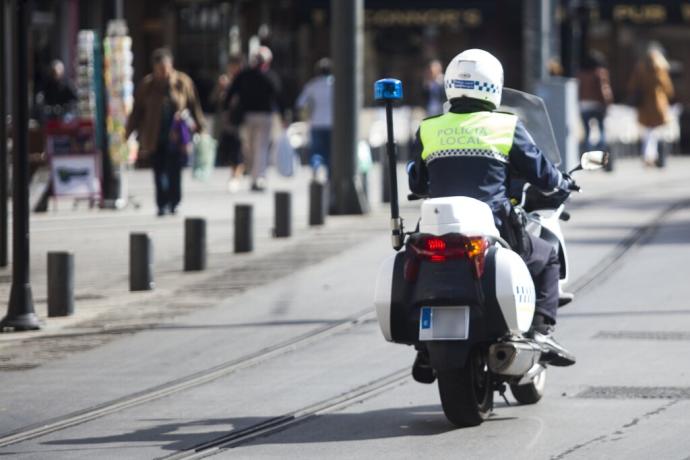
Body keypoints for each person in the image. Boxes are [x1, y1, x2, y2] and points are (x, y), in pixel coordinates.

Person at [408, 49, 578, 369]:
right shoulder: (505, 126)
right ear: (494, 86)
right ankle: (541, 330)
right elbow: (543, 174)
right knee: (547, 256)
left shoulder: (429, 128)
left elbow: (417, 183)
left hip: (436, 230)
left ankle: (423, 344)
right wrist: (562, 183)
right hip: (495, 230)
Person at [126, 48, 205, 215]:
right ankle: (162, 204)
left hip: (177, 136)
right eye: (160, 68)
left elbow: (193, 105)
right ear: (154, 68)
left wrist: (200, 127)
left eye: (166, 68)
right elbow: (137, 111)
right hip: (155, 135)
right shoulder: (147, 85)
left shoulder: (182, 82)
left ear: (171, 65)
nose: (163, 72)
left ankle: (174, 202)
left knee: (175, 171)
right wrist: (129, 131)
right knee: (159, 171)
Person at [224, 46, 283, 191]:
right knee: (250, 147)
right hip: (250, 117)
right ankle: (256, 175)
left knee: (257, 147)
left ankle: (259, 178)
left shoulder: (264, 76)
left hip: (261, 116)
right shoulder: (252, 75)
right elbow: (231, 93)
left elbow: (279, 96)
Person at [628, 46, 674, 167]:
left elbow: (632, 85)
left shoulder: (640, 68)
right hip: (657, 103)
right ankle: (653, 156)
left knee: (649, 131)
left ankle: (650, 156)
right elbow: (667, 87)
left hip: (644, 104)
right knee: (655, 131)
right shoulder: (660, 68)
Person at [210, 54, 245, 192]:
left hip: (241, 119)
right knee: (230, 147)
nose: (233, 68)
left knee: (239, 147)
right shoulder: (224, 80)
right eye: (231, 66)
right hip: (226, 121)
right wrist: (220, 89)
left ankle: (236, 174)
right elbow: (213, 100)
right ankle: (235, 172)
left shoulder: (244, 79)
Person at [296, 57, 334, 170]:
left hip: (316, 123)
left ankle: (316, 173)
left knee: (317, 152)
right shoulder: (336, 85)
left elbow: (300, 103)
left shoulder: (312, 85)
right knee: (331, 153)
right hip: (332, 123)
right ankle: (329, 177)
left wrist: (306, 114)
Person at [577, 51, 613, 151]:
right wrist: (607, 103)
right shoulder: (600, 73)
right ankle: (601, 151)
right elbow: (604, 90)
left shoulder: (580, 74)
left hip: (583, 105)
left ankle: (588, 152)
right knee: (601, 129)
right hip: (597, 105)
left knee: (587, 131)